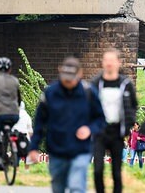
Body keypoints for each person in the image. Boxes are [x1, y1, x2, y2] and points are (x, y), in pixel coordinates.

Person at [28, 56, 106, 193]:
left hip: (81, 150)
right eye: (65, 78)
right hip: (57, 150)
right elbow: (40, 122)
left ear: (80, 74)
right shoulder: (50, 93)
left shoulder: (89, 93)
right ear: (60, 71)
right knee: (58, 187)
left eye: (72, 79)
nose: (68, 82)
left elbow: (100, 119)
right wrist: (33, 147)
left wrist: (89, 129)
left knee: (77, 186)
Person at [90, 49, 138, 193]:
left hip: (117, 131)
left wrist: (128, 124)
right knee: (98, 169)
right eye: (106, 60)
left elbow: (133, 105)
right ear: (103, 63)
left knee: (116, 172)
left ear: (118, 62)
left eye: (112, 60)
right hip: (99, 131)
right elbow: (88, 105)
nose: (109, 63)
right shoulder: (96, 83)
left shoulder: (126, 84)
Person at [12, 101, 33, 169]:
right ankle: (26, 169)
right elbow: (30, 129)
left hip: (14, 136)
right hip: (24, 137)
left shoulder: (13, 114)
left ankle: (16, 168)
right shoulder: (27, 116)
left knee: (16, 152)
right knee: (28, 153)